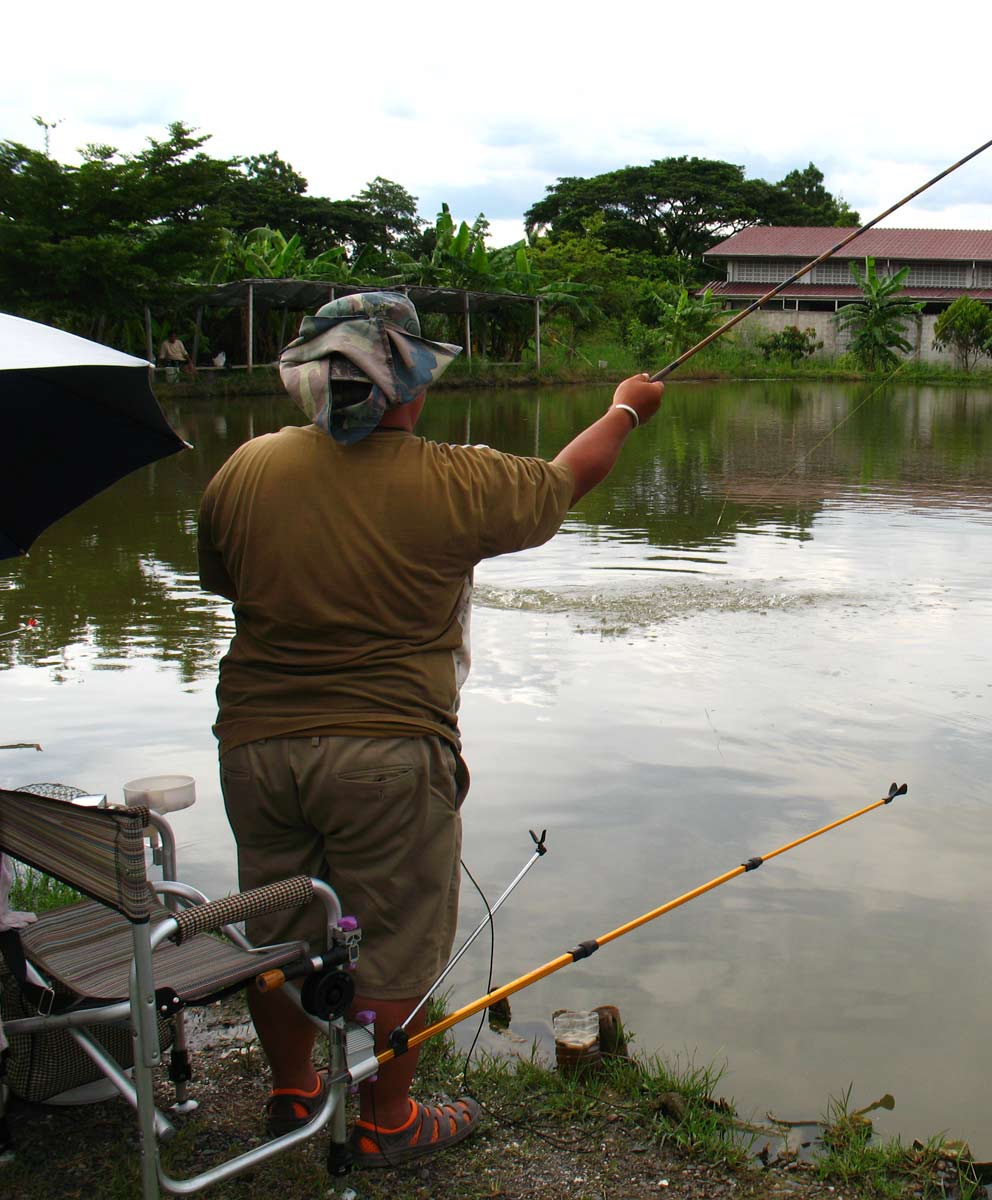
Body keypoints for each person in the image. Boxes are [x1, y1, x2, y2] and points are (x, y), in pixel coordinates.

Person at [196, 291, 662, 1167]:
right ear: (408, 384)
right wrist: (627, 409)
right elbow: (568, 479)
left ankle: (291, 1090)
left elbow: (225, 581)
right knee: (399, 938)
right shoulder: (457, 480)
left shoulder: (245, 468)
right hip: (388, 755)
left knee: (277, 926)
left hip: (256, 749)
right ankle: (387, 1119)